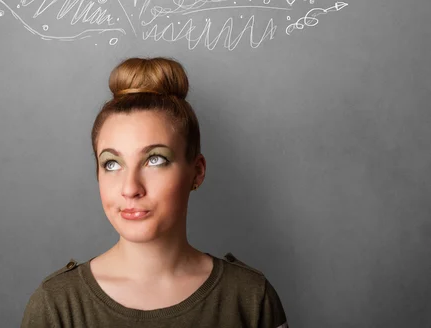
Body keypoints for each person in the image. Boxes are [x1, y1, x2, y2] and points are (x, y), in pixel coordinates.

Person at [21, 56, 289, 327]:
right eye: (112, 164)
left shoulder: (251, 298)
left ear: (197, 171)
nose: (130, 188)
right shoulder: (56, 305)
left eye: (155, 160)